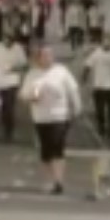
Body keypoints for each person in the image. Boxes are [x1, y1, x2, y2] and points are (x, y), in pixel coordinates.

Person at [21, 45, 82, 195]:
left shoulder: (61, 72)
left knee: (57, 146)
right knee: (46, 150)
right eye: (44, 55)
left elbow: (72, 90)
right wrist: (31, 97)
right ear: (38, 58)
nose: (47, 58)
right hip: (41, 117)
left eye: (50, 55)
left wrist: (77, 107)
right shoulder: (33, 74)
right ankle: (50, 180)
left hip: (60, 115)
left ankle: (59, 181)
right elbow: (23, 94)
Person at [0, 36, 27, 142]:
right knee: (5, 106)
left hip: (13, 82)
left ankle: (9, 130)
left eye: (10, 41)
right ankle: (6, 127)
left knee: (10, 106)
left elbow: (24, 64)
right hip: (1, 82)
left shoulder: (18, 48)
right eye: (6, 41)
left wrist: (14, 68)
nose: (8, 43)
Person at [83, 37, 110, 143]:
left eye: (109, 43)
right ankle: (101, 129)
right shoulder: (96, 54)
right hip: (99, 87)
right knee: (100, 111)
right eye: (105, 42)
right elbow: (87, 66)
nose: (107, 44)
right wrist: (84, 78)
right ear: (102, 43)